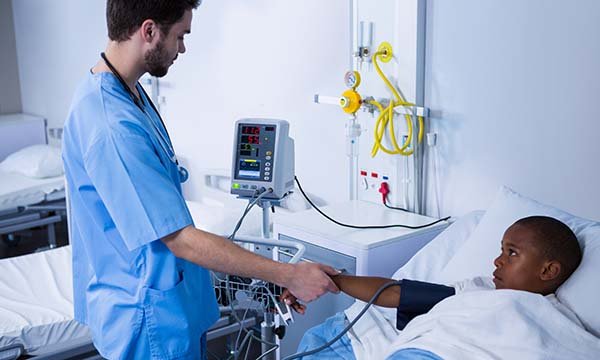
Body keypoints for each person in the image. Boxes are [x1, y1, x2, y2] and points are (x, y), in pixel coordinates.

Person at [61, 1, 339, 359]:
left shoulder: (129, 94)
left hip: (165, 307)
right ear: (149, 31)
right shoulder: (111, 125)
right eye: (180, 36)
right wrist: (287, 274)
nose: (182, 49)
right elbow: (179, 238)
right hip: (146, 320)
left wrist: (277, 275)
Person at [281, 215, 583, 359]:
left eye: (511, 254)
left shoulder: (554, 322)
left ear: (548, 270)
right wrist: (335, 279)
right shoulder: (475, 290)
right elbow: (398, 293)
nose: (497, 261)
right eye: (502, 250)